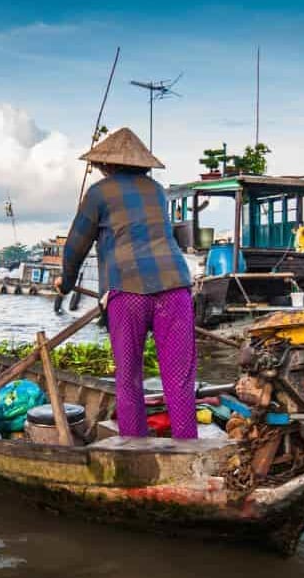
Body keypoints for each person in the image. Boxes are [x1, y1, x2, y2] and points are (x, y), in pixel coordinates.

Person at [55, 127, 198, 440]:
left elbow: (76, 244)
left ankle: (135, 447)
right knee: (179, 378)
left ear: (106, 165)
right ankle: (189, 449)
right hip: (175, 288)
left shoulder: (98, 193)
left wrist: (65, 284)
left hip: (128, 292)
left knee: (129, 378)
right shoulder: (158, 191)